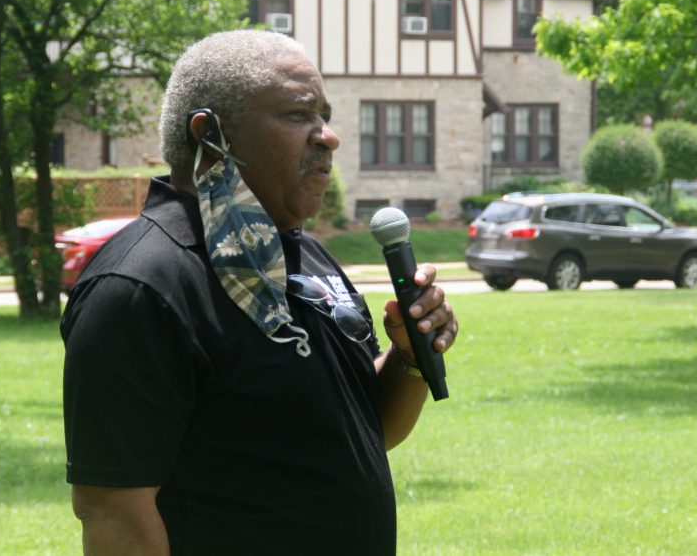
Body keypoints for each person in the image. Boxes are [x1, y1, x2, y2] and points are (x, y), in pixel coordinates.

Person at [60, 30, 459, 555]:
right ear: (209, 133)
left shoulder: (302, 253)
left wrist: (406, 358)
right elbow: (114, 514)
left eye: (325, 116)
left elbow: (362, 430)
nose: (327, 136)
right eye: (298, 115)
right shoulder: (141, 288)